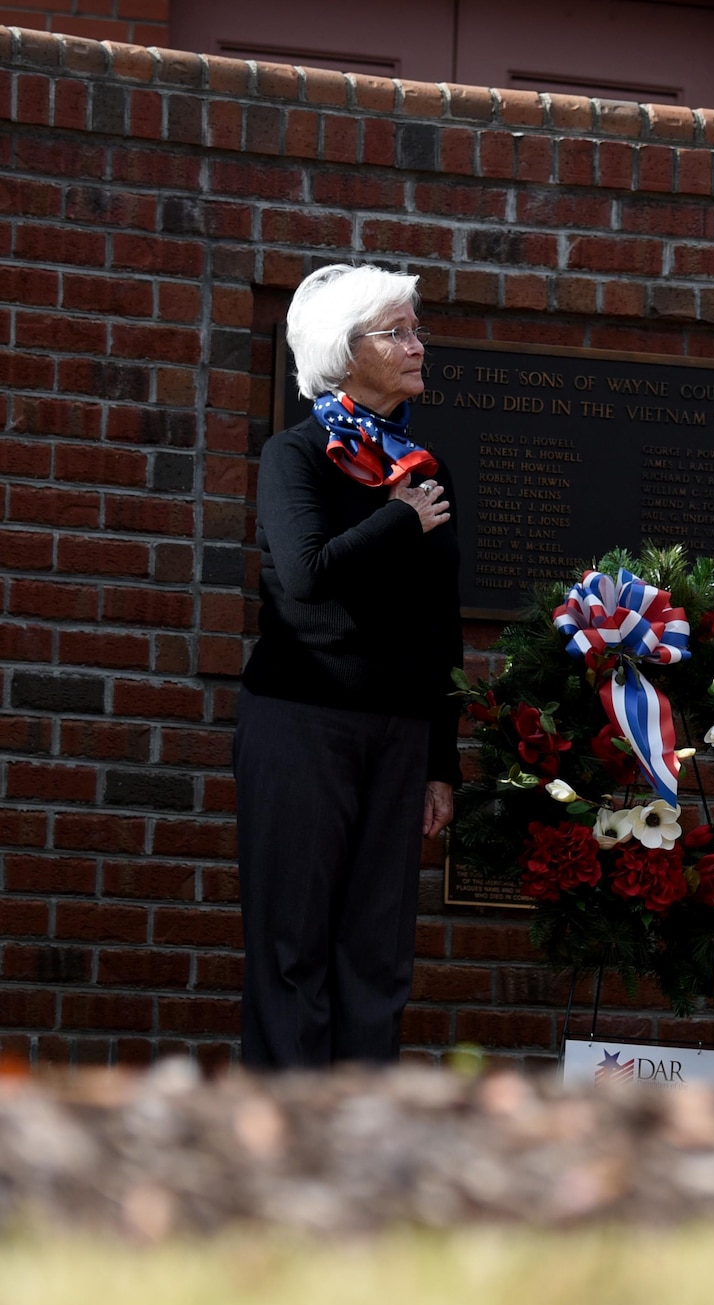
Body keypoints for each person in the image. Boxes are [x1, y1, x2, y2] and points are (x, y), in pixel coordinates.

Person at [235, 263, 461, 1068]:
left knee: (377, 955)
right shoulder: (295, 457)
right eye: (397, 331)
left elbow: (442, 626)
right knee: (292, 945)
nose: (416, 344)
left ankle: (359, 1149)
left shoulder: (422, 467)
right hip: (302, 720)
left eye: (414, 328)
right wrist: (399, 520)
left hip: (398, 734)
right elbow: (305, 575)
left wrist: (441, 762)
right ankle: (283, 1142)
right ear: (344, 350)